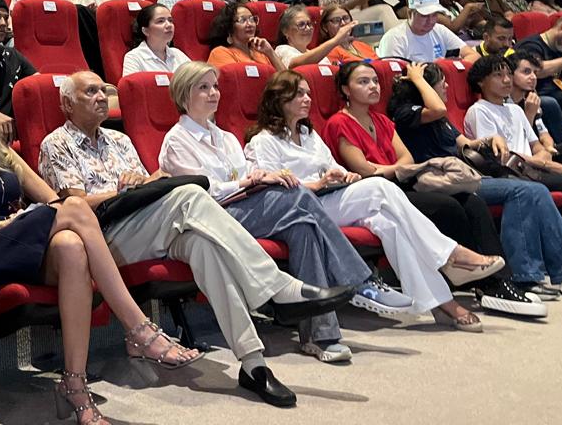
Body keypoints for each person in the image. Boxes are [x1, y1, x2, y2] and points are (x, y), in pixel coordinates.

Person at [38, 71, 353, 406]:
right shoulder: (56, 144)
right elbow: (73, 207)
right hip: (101, 237)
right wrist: (122, 190)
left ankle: (253, 363)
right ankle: (276, 287)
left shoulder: (121, 141)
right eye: (91, 92)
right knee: (189, 193)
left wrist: (146, 182)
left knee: (204, 246)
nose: (102, 96)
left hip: (145, 222)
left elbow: (147, 186)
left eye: (103, 90)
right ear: (68, 103)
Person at [0, 83, 201, 421]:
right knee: (75, 208)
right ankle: (138, 328)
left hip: (16, 241)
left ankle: (74, 384)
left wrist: (27, 221)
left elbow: (51, 201)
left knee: (70, 246)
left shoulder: (3, 153)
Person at [163, 63, 410, 361]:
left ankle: (321, 337)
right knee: (297, 194)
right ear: (183, 94)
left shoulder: (226, 137)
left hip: (247, 205)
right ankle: (359, 280)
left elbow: (246, 183)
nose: (213, 93)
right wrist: (251, 180)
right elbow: (200, 191)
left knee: (303, 227)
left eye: (214, 86)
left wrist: (259, 180)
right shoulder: (176, 140)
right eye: (203, 88)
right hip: (214, 216)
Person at [246, 69, 509, 326]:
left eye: (307, 93)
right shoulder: (264, 140)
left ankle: (443, 303)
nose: (307, 99)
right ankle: (450, 254)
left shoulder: (309, 135)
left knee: (390, 224)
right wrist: (317, 183)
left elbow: (331, 166)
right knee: (380, 188)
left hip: (331, 196)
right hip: (304, 207)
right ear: (279, 100)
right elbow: (275, 189)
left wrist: (343, 176)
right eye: (298, 94)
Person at [390, 59, 562, 307]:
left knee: (535, 190)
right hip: (438, 181)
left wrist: (491, 139)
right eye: (440, 82)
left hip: (464, 176)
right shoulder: (408, 111)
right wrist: (418, 78)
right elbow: (438, 109)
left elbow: (466, 143)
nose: (446, 86)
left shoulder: (442, 121)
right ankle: (525, 275)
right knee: (523, 191)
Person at [322, 61, 508, 331]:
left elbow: (406, 158)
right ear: (345, 90)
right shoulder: (339, 122)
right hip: (368, 192)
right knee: (446, 207)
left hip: (394, 188)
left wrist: (391, 171)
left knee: (469, 203)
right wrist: (394, 171)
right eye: (363, 82)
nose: (373, 86)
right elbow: (364, 169)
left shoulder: (382, 120)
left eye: (375, 81)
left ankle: (476, 285)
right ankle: (451, 264)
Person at [463, 55, 562, 273]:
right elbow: (499, 156)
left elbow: (535, 143)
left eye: (507, 75)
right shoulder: (479, 111)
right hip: (513, 172)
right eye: (498, 75)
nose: (506, 80)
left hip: (533, 167)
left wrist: (544, 157)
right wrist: (547, 165)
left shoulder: (514, 109)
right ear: (481, 82)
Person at [515, 14, 562, 134]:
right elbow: (534, 71)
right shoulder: (531, 45)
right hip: (538, 97)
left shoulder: (561, 48)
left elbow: (556, 77)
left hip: (557, 92)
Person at [377, 0, 466, 61]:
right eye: (424, 16)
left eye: (434, 15)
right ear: (410, 13)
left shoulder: (439, 29)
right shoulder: (394, 38)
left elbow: (471, 54)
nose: (430, 21)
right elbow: (393, 75)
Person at [207, 2, 286, 70]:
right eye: (242, 20)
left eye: (252, 19)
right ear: (229, 27)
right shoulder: (220, 52)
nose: (250, 24)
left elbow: (289, 81)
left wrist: (270, 52)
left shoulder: (261, 53)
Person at [274, 4, 359, 68]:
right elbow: (296, 65)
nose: (307, 28)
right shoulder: (282, 49)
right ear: (285, 31)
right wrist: (336, 40)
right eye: (301, 24)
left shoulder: (320, 56)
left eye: (309, 24)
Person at [122, 3, 191, 75]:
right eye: (160, 21)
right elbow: (130, 86)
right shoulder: (134, 57)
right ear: (145, 31)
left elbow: (196, 78)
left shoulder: (177, 53)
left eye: (170, 20)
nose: (169, 25)